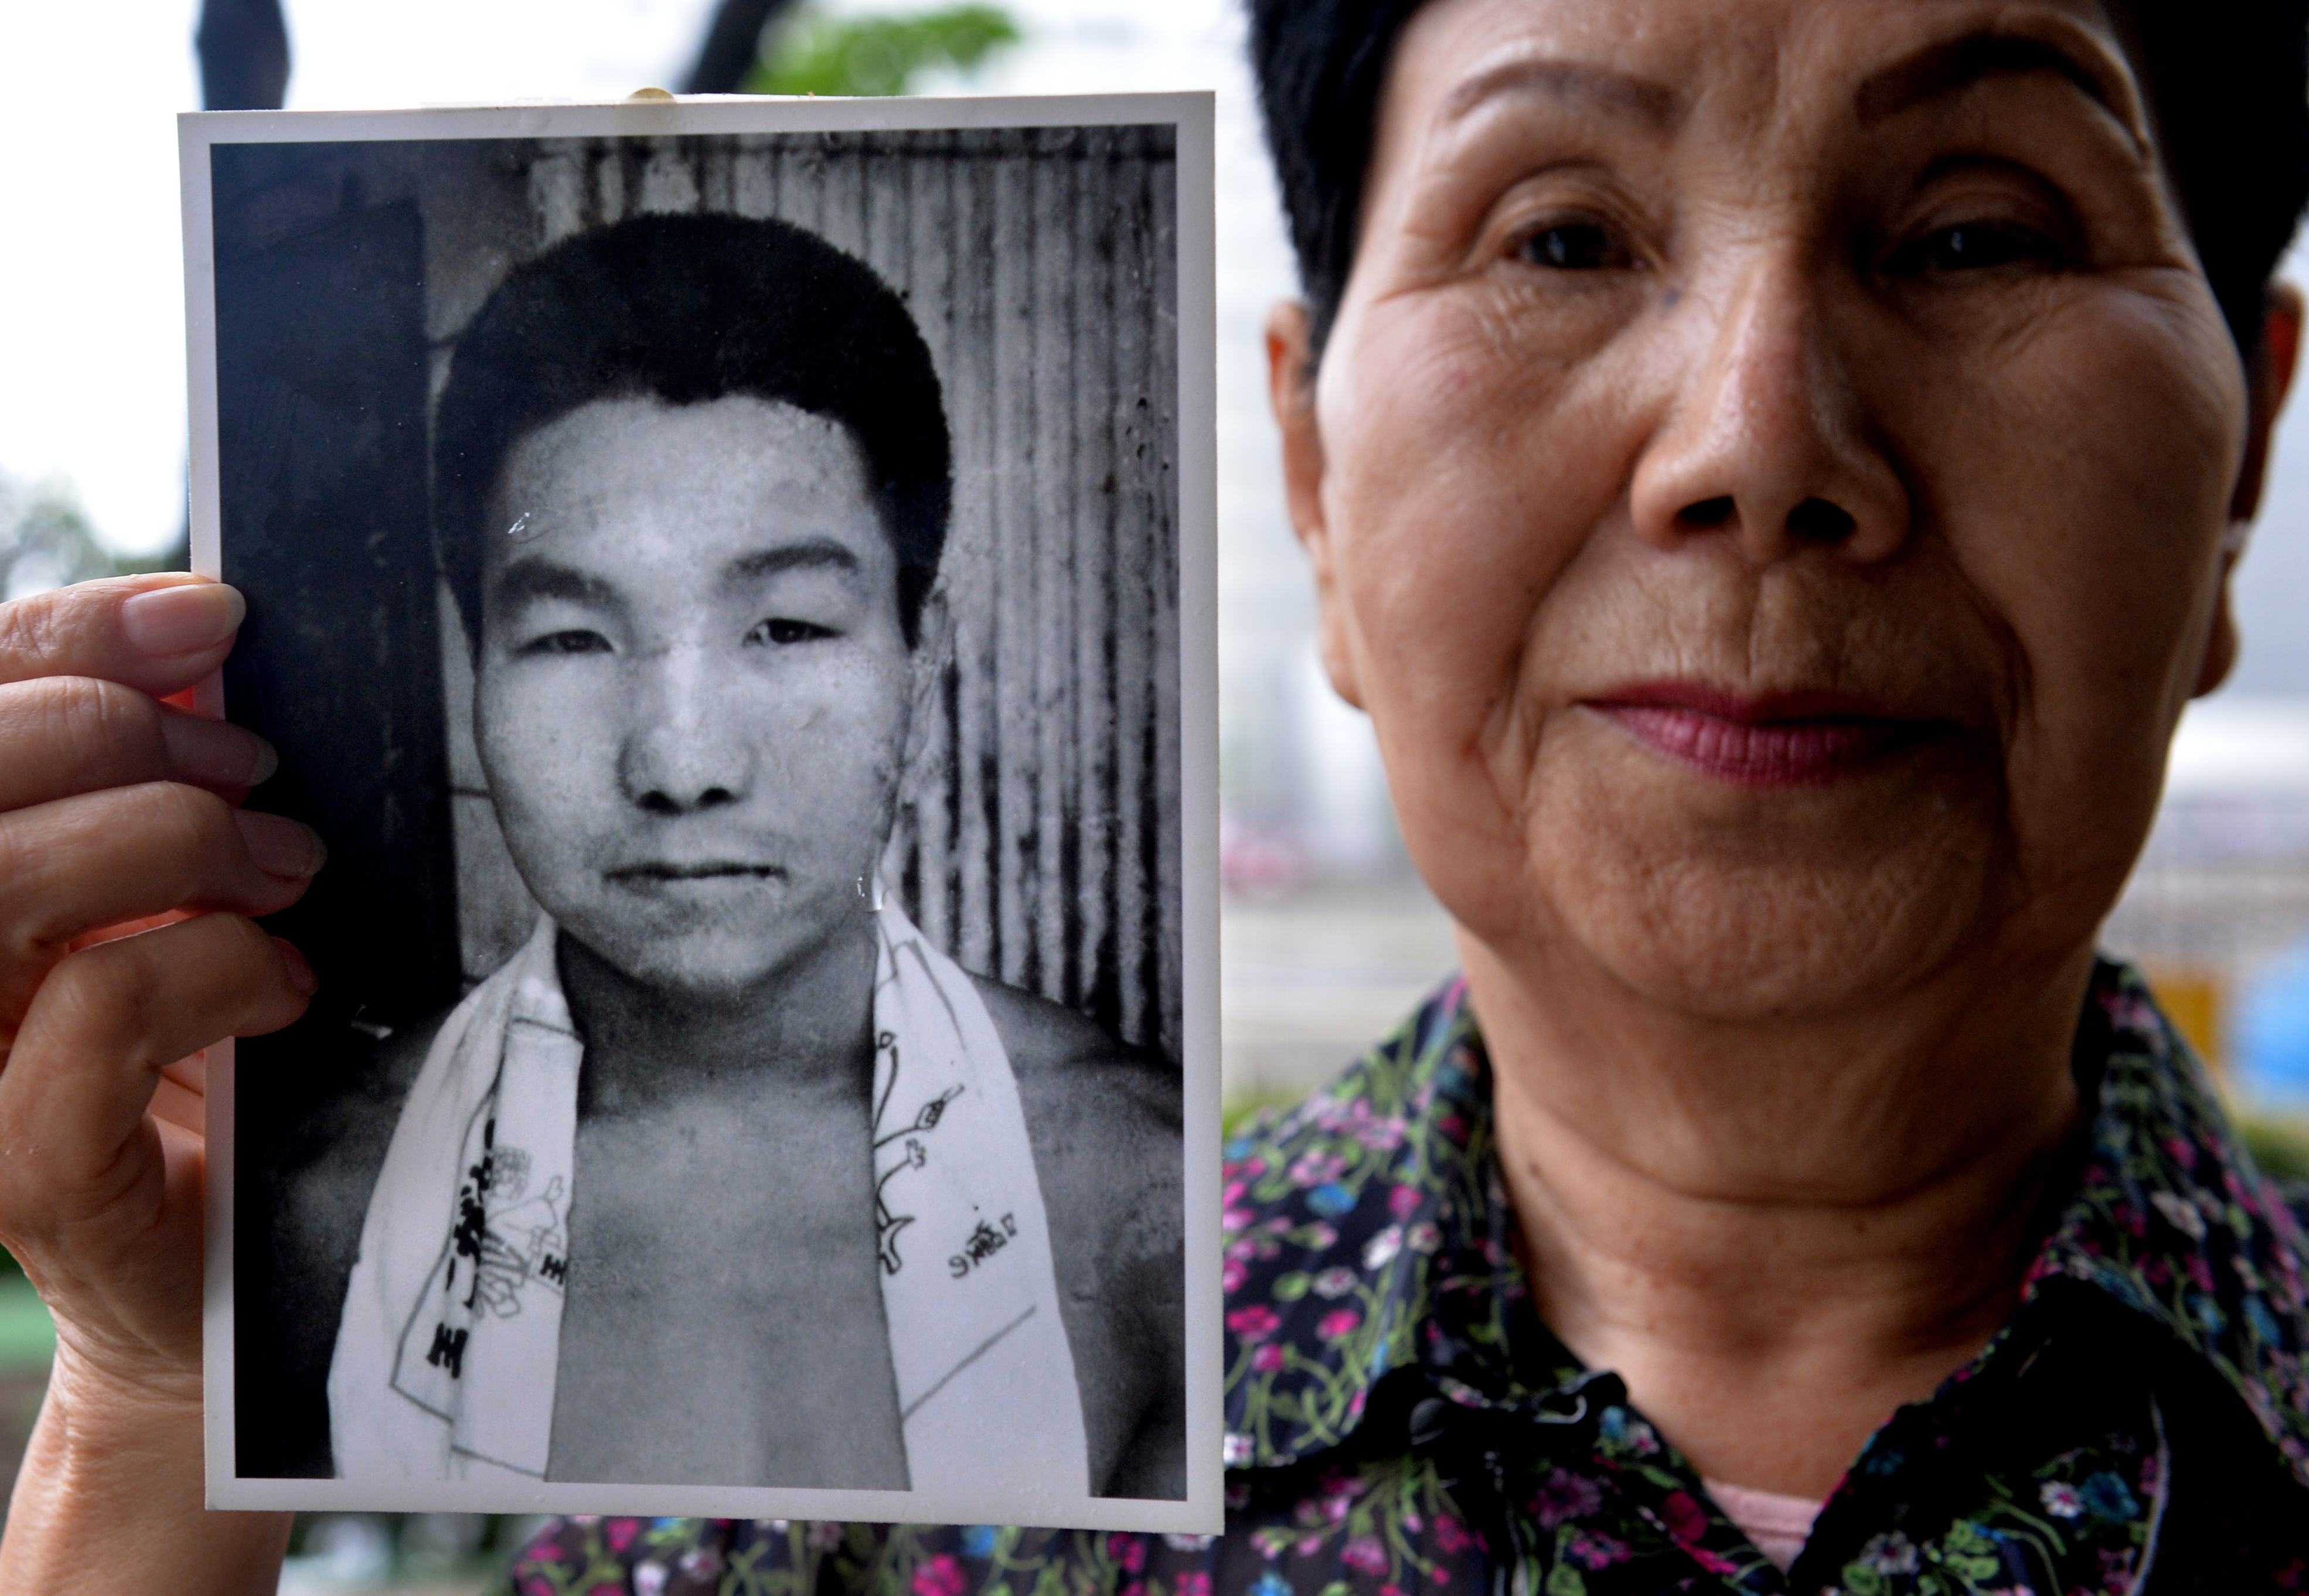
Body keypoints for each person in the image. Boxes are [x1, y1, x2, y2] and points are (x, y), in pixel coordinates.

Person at [3, 0, 2309, 1589]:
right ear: (1306, 475)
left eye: (1980, 228)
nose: (1756, 440)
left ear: (2244, 467)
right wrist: (155, 1403)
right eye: (1566, 236)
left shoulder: (1061, 1236)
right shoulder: (790, 1517)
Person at [269, 210, 1184, 1503]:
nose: (681, 763)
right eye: (575, 640)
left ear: (923, 660)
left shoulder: (1148, 1201)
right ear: (471, 663)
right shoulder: (318, 1221)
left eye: (789, 627)